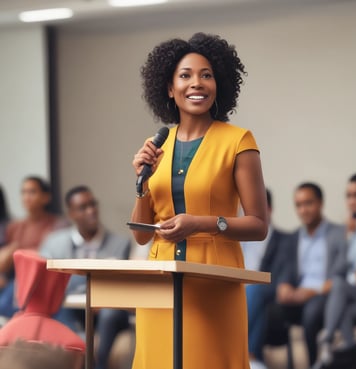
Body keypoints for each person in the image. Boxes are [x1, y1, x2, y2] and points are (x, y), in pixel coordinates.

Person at [129, 32, 268, 369]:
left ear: (218, 84)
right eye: (186, 75)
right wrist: (142, 181)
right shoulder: (156, 144)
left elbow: (258, 225)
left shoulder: (238, 141)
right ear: (169, 87)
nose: (198, 83)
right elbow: (141, 235)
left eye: (206, 75)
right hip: (159, 281)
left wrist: (201, 223)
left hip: (213, 281)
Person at [40, 185, 132, 369]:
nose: (91, 211)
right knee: (59, 309)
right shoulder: (54, 243)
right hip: (70, 308)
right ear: (71, 213)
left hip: (106, 309)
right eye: (83, 207)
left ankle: (99, 365)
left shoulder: (120, 244)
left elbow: (121, 285)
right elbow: (47, 282)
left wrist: (103, 298)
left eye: (93, 204)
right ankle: (80, 350)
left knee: (110, 313)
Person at [267, 182, 346, 367]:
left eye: (308, 203)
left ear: (320, 203)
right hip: (297, 294)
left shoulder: (338, 233)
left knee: (311, 312)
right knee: (270, 310)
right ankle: (256, 360)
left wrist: (311, 291)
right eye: (299, 205)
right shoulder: (294, 237)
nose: (303, 210)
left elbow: (342, 273)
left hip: (323, 294)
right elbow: (286, 268)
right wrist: (284, 285)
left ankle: (313, 364)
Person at [311, 173, 356, 369]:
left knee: (338, 288)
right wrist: (348, 239)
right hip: (353, 293)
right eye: (348, 196)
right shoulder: (349, 230)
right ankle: (350, 347)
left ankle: (328, 340)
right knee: (339, 304)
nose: (352, 202)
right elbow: (337, 270)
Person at [0, 176, 67, 318]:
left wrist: (21, 252)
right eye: (23, 192)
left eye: (32, 192)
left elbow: (51, 257)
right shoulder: (14, 227)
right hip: (18, 283)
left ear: (46, 197)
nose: (26, 197)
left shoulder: (58, 225)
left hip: (47, 283)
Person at [241, 189, 290, 369]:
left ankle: (249, 355)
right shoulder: (236, 240)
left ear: (268, 209)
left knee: (254, 290)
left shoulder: (285, 240)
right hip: (238, 289)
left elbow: (284, 276)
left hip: (268, 291)